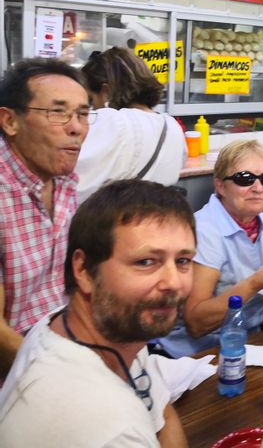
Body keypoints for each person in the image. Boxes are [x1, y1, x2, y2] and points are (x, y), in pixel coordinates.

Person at [0, 180, 194, 446]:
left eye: (182, 261)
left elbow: (162, 412)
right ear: (84, 270)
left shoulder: (105, 328)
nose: (173, 282)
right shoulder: (108, 428)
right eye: (146, 262)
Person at [160, 140, 263, 357]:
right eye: (245, 179)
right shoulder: (203, 231)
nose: (258, 188)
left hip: (250, 340)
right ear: (220, 185)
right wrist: (256, 283)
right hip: (197, 352)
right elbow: (196, 324)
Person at [0, 57, 91, 376]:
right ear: (10, 121)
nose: (76, 127)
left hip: (68, 344)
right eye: (58, 112)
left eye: (82, 113)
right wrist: (58, 374)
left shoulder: (65, 182)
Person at [76, 47, 186, 203]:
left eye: (91, 99)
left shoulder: (112, 121)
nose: (91, 107)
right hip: (156, 220)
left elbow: (77, 182)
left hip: (113, 221)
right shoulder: (171, 126)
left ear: (106, 91)